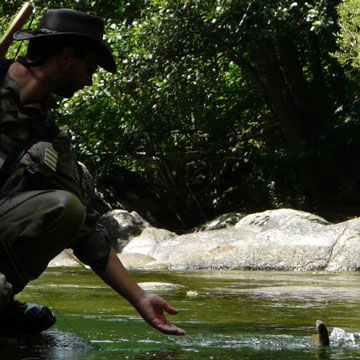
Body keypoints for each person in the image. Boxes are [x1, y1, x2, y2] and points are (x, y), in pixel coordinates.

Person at [0, 8, 185, 337]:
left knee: (67, 207)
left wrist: (140, 297)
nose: (90, 81)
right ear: (66, 56)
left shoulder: (49, 137)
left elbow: (85, 230)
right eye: (90, 67)